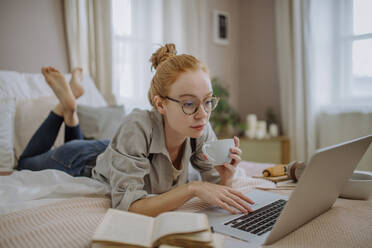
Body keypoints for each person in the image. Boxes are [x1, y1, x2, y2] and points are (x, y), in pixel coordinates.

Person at [18, 43, 254, 217]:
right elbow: (128, 206)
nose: (202, 113)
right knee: (24, 164)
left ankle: (72, 109)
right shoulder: (137, 125)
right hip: (82, 159)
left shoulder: (199, 127)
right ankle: (64, 107)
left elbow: (218, 190)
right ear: (160, 104)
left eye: (208, 101)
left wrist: (227, 177)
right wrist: (192, 187)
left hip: (119, 151)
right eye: (189, 104)